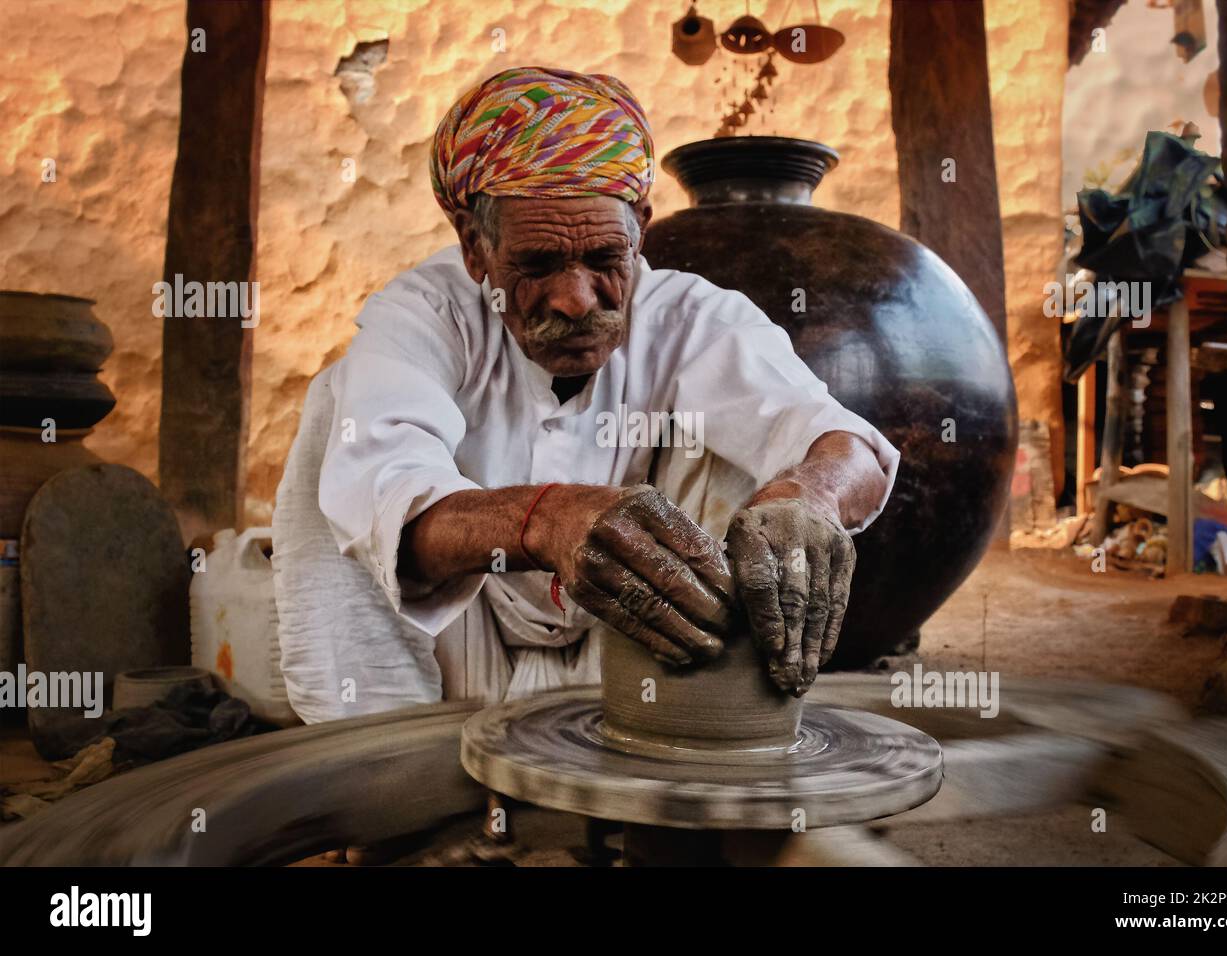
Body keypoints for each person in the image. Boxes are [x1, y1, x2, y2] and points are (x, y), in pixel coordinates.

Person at [276, 66, 899, 722]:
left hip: (635, 646)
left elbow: (844, 443)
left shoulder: (688, 315)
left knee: (775, 474)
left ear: (641, 230)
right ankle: (382, 766)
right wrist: (545, 518)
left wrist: (812, 497)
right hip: (459, 655)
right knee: (338, 420)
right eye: (538, 265)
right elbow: (385, 479)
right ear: (474, 247)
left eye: (605, 260)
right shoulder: (426, 315)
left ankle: (709, 737)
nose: (576, 300)